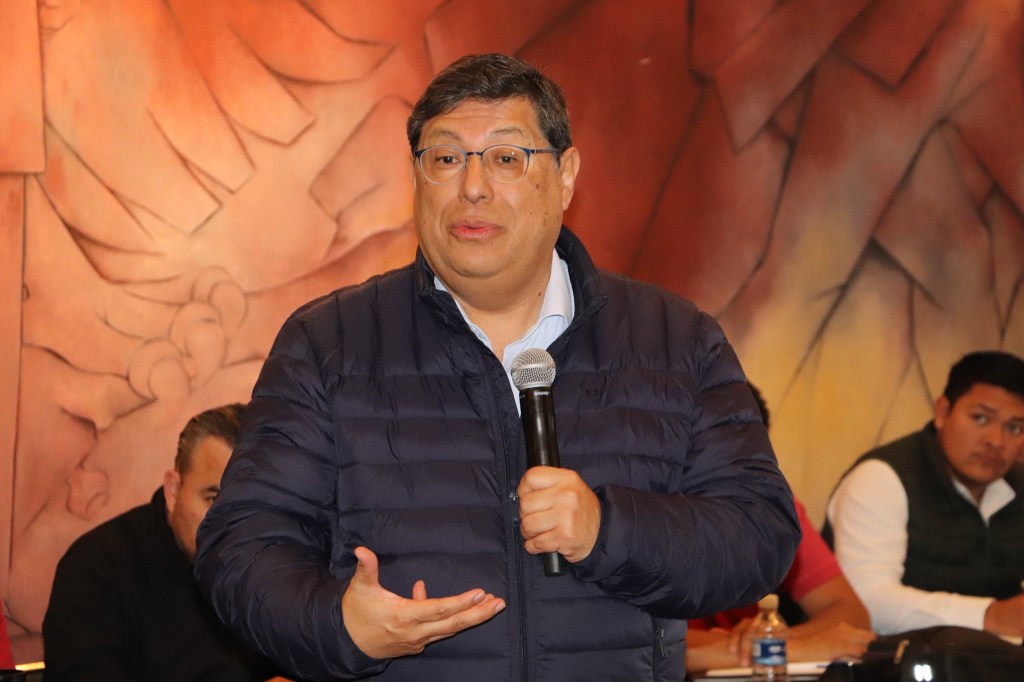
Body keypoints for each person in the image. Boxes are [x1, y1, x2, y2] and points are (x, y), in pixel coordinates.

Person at [193, 53, 800, 682]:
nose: (473, 187)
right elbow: (240, 546)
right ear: (416, 178)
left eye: (507, 158)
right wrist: (339, 626)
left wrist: (608, 531)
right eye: (445, 159)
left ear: (565, 176)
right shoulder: (330, 343)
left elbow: (760, 534)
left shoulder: (673, 340)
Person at [42, 404, 286, 682]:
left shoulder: (281, 559)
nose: (233, 525)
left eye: (252, 505)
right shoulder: (96, 568)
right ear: (173, 490)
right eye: (214, 500)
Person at [824, 351, 1024, 636]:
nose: (996, 440)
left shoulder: (1018, 484)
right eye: (980, 418)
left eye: (1014, 427)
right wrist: (989, 615)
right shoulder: (882, 477)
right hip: (892, 660)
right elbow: (867, 601)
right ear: (942, 412)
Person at [686, 384, 874, 671]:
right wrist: (781, 650)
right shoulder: (638, 516)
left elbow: (850, 615)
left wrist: (772, 641)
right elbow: (641, 646)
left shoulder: (772, 507)